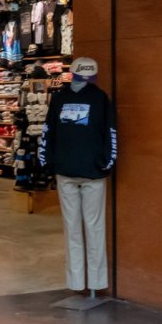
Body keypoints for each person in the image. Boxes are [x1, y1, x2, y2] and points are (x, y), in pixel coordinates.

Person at [39, 57, 116, 295]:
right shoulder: (88, 98)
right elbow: (49, 130)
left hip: (82, 171)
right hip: (79, 171)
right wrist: (107, 162)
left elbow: (48, 132)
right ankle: (87, 283)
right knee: (89, 228)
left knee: (79, 229)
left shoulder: (93, 98)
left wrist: (47, 161)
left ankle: (85, 284)